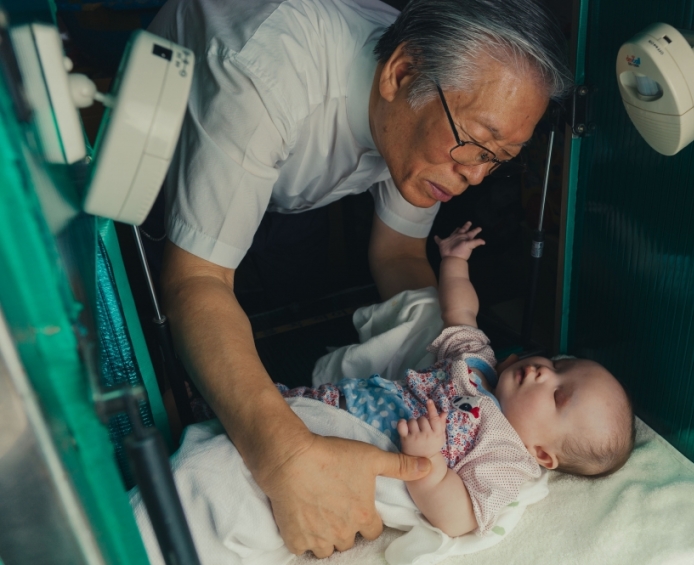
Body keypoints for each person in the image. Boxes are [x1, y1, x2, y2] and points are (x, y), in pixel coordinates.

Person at [147, 0, 573, 556]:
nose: (473, 176)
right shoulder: (264, 75)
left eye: (499, 158)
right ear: (400, 74)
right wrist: (286, 456)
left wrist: (441, 354)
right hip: (170, 146)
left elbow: (396, 254)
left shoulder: (428, 119)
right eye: (475, 142)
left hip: (292, 184)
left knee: (288, 276)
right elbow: (195, 282)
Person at [274, 223, 635, 537]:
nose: (545, 372)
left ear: (541, 452)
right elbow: (460, 313)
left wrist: (429, 462)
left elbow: (459, 517)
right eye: (559, 365)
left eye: (557, 395)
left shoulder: (506, 456)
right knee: (273, 415)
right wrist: (455, 262)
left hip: (367, 445)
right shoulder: (479, 363)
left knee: (271, 458)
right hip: (343, 401)